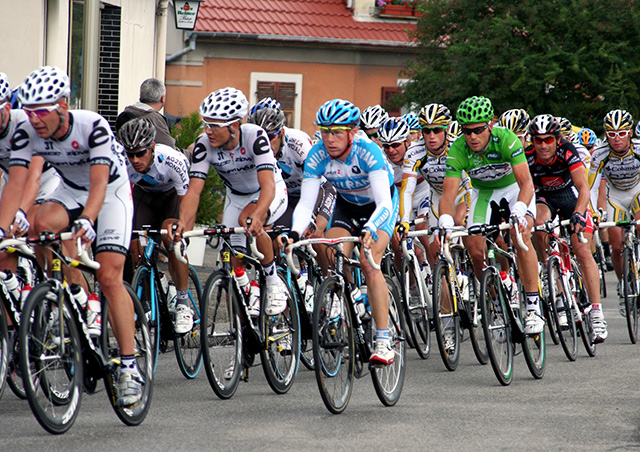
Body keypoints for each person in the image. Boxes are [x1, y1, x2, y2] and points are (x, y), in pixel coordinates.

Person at [0, 66, 141, 406]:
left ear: (63, 105)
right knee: (40, 224)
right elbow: (25, 180)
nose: (34, 120)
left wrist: (89, 219)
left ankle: (129, 365)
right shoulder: (28, 132)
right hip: (69, 190)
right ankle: (74, 294)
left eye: (41, 112)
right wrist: (10, 222)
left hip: (110, 194)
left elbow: (99, 183)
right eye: (30, 112)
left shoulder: (92, 126)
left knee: (109, 277)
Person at [288, 99, 399, 365]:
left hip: (378, 208)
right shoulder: (317, 155)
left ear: (352, 132)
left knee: (369, 260)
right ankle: (347, 293)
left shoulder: (368, 151)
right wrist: (293, 234)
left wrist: (372, 226)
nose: (329, 139)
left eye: (336, 132)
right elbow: (306, 203)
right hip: (346, 206)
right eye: (325, 132)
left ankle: (383, 341)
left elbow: (384, 202)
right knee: (326, 247)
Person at [171, 87, 289, 317]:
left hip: (268, 190)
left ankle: (273, 281)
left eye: (214, 125)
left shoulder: (255, 137)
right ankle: (248, 293)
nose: (208, 131)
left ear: (234, 126)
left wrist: (258, 215)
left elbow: (268, 186)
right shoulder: (204, 144)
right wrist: (183, 225)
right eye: (206, 124)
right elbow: (193, 192)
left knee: (250, 222)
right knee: (233, 253)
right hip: (235, 196)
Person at [439, 96, 544, 335]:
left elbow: (526, 182)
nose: (472, 137)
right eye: (466, 131)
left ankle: (533, 305)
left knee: (522, 235)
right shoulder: (458, 148)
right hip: (483, 192)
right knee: (474, 248)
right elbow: (448, 194)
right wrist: (445, 219)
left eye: (477, 130)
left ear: (490, 125)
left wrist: (519, 209)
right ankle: (497, 304)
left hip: (514, 189)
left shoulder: (506, 139)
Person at [526, 114, 607, 342]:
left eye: (548, 140)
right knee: (538, 226)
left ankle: (597, 313)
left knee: (581, 250)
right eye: (538, 140)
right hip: (545, 199)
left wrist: (580, 213)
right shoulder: (528, 156)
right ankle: (550, 274)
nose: (543, 145)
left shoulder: (567, 151)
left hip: (571, 197)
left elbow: (583, 188)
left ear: (557, 139)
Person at [117, 117, 194, 334]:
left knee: (173, 240)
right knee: (137, 246)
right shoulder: (122, 162)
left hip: (172, 198)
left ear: (152, 147)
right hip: (145, 197)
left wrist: (182, 231)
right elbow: (122, 200)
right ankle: (153, 285)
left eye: (140, 153)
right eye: (130, 154)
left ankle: (182, 302)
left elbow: (187, 202)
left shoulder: (171, 159)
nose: (135, 160)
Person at [588, 109, 640, 317]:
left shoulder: (638, 148)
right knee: (616, 245)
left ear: (629, 133)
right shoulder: (600, 153)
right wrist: (592, 212)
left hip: (637, 190)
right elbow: (591, 189)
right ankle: (623, 284)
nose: (616, 139)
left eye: (621, 133)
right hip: (615, 195)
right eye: (611, 134)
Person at [116, 78, 176, 148]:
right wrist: (189, 152)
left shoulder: (125, 114)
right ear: (162, 98)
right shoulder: (154, 119)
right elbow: (169, 149)